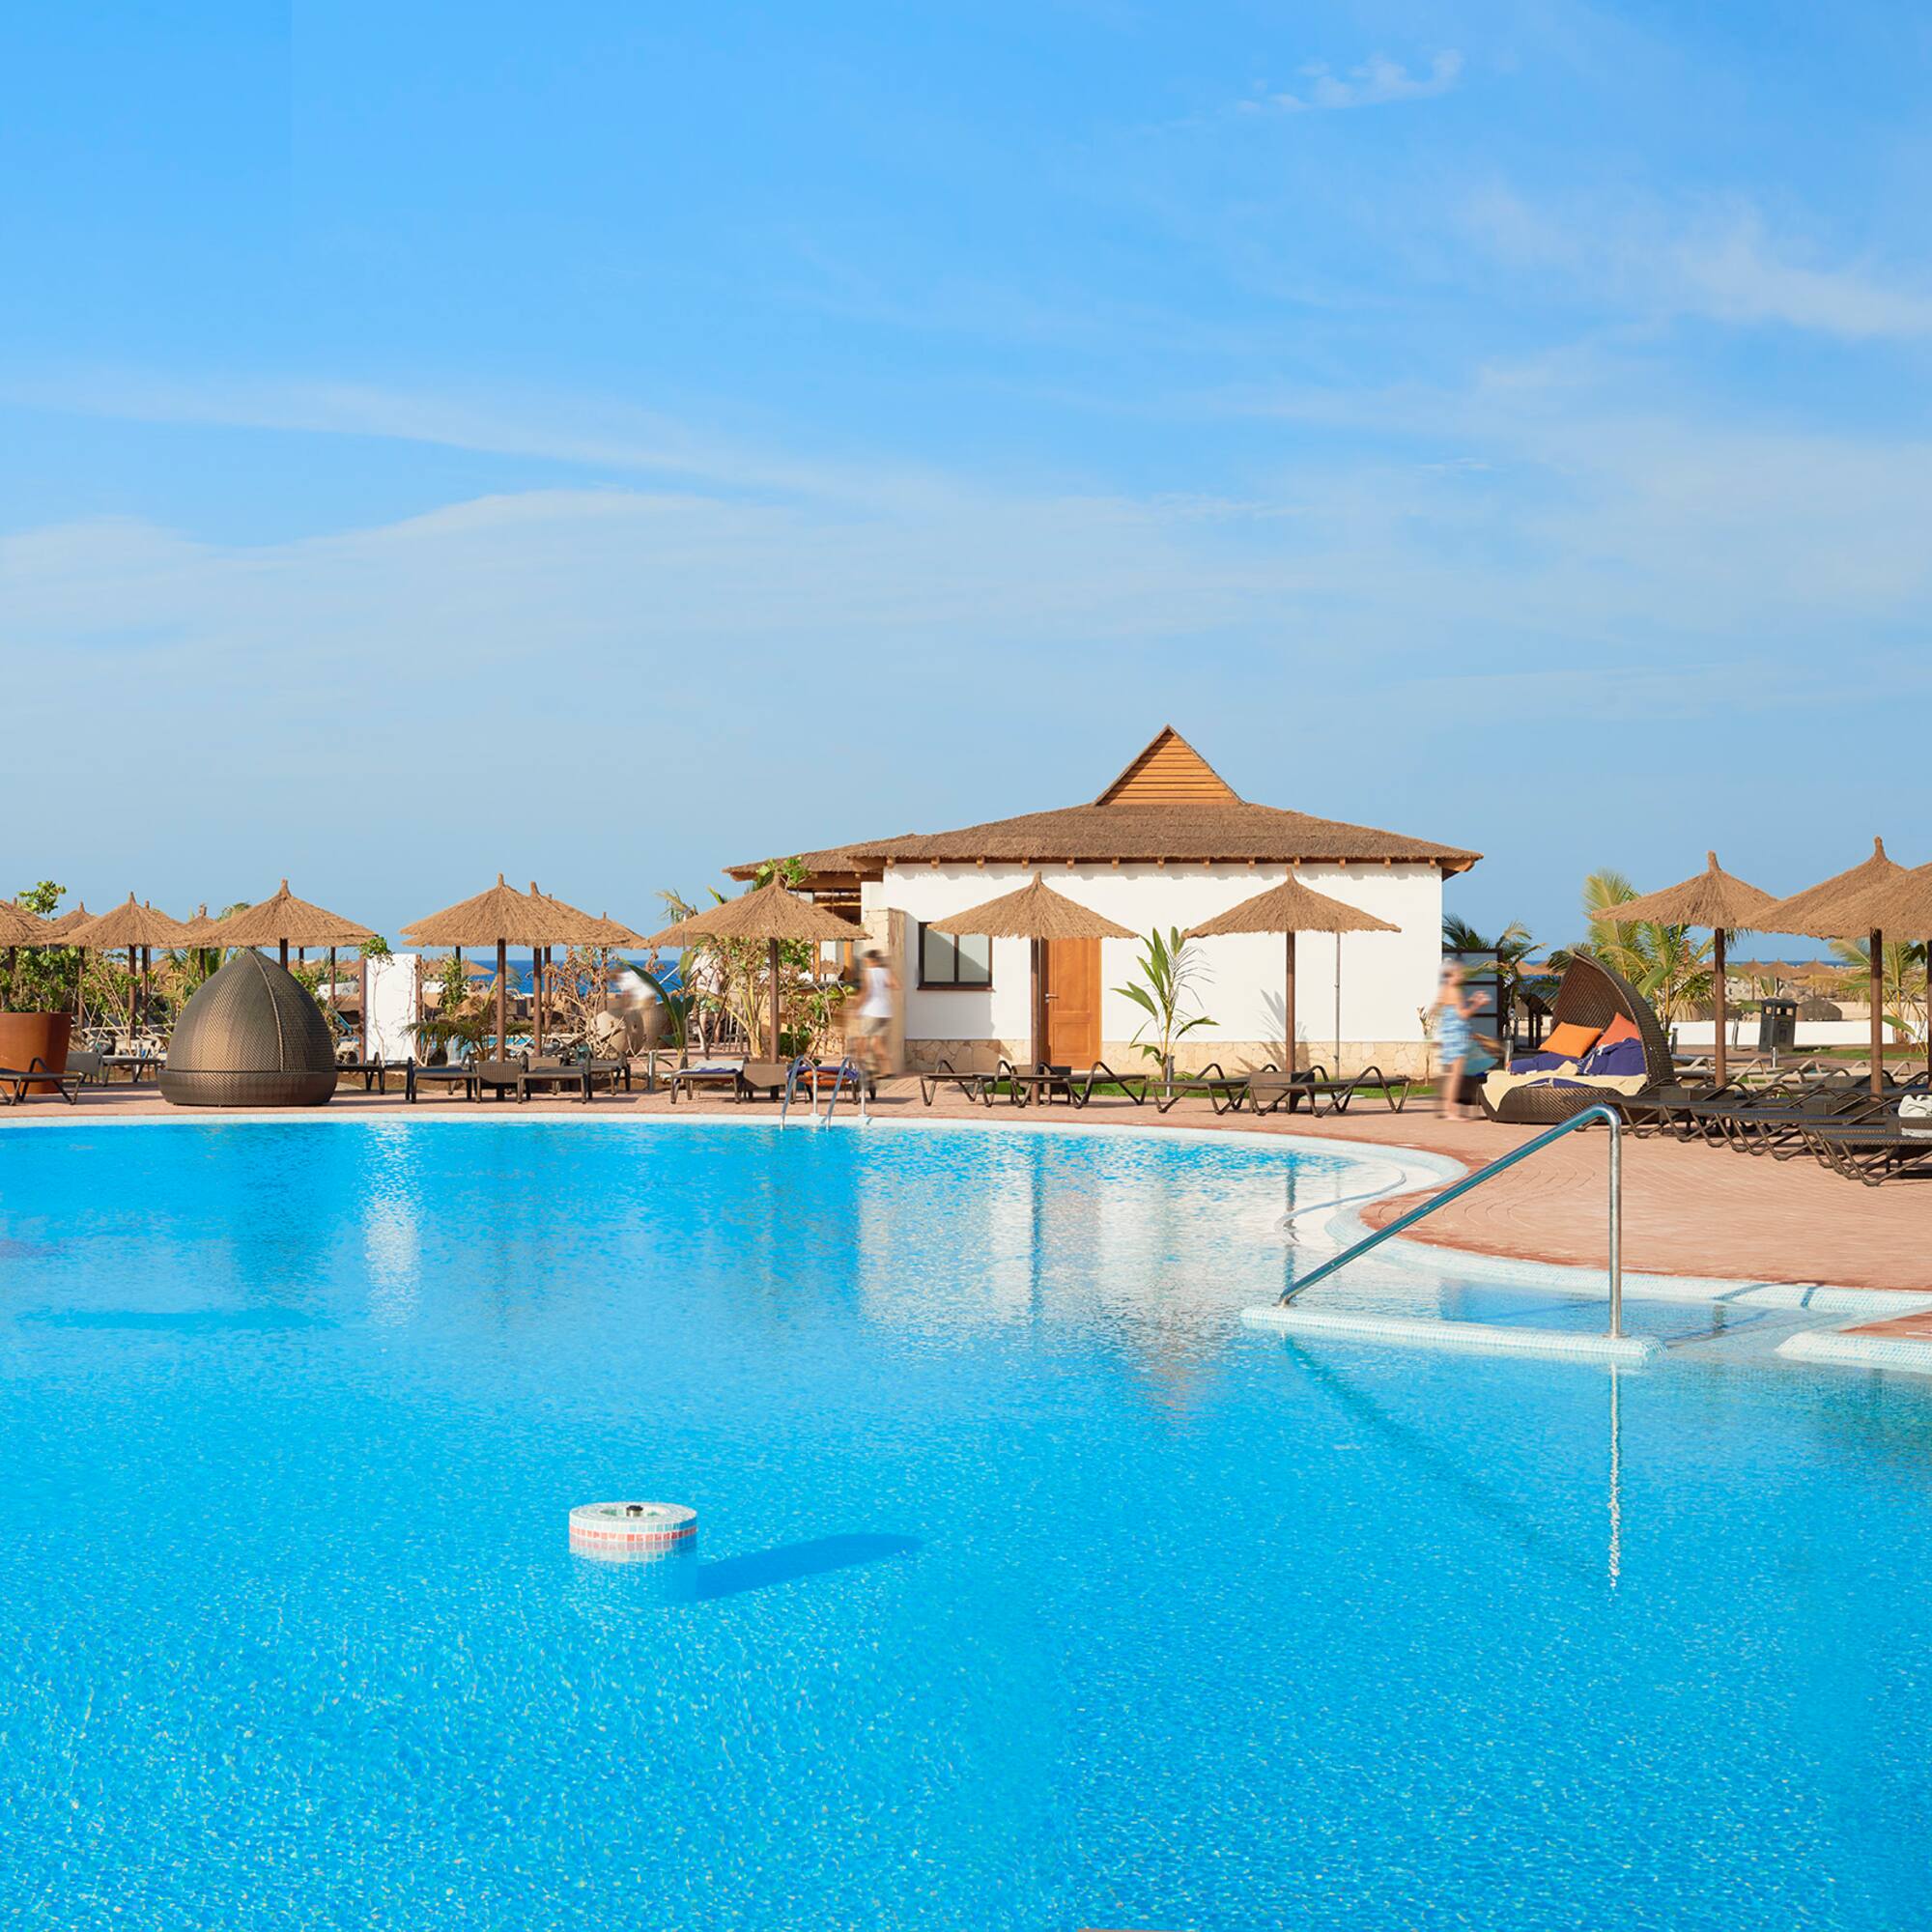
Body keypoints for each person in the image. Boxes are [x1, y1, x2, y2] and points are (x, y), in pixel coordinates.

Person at [1432, 960, 1489, 1122]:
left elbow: (1448, 1012)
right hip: (1456, 1038)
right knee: (1455, 1076)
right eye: (1460, 973)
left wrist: (1470, 1001)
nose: (1462, 976)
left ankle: (1450, 1109)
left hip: (1449, 1036)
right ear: (1453, 974)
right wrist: (1477, 1004)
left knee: (1451, 1075)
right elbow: (1462, 1015)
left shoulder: (1444, 990)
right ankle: (1451, 1112)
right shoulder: (1455, 991)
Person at [852, 946, 897, 1077]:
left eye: (866, 961)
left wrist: (858, 1008)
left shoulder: (868, 972)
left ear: (870, 960)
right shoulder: (886, 971)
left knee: (863, 1039)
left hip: (871, 1011)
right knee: (878, 1042)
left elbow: (866, 991)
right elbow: (896, 985)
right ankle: (887, 1070)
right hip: (886, 1012)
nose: (865, 963)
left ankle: (859, 1066)